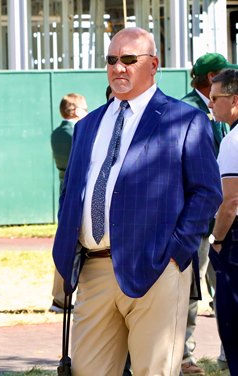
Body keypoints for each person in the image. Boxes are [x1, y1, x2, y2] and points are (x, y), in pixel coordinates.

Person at [52, 27, 222, 375]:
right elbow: (71, 193)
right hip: (94, 270)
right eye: (112, 60)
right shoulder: (89, 125)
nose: (119, 67)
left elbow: (207, 192)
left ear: (153, 64)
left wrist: (176, 253)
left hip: (157, 268)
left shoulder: (184, 119)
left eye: (129, 59)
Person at [180, 52, 236, 375]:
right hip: (201, 218)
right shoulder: (190, 108)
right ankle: (184, 355)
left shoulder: (223, 115)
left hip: (222, 217)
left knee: (227, 288)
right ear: (211, 76)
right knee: (192, 289)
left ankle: (229, 353)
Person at [207, 68, 238, 376]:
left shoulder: (232, 141)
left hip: (234, 244)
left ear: (235, 100)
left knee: (232, 324)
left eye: (216, 97)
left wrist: (216, 241)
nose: (211, 103)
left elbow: (230, 203)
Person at [49, 93, 87, 313]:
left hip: (66, 190)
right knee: (71, 245)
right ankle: (63, 297)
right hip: (75, 193)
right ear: (75, 111)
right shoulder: (75, 133)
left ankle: (61, 297)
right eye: (84, 108)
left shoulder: (58, 133)